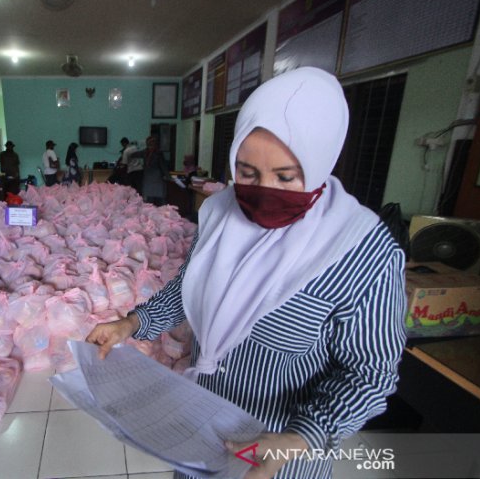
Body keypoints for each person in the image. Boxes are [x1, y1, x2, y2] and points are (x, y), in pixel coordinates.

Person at [86, 67, 406, 479]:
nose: (263, 189)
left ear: (321, 162)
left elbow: (370, 374)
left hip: (279, 456)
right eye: (248, 173)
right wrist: (132, 323)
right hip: (202, 430)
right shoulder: (221, 214)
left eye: (286, 177)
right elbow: (190, 285)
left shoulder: (361, 252)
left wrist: (300, 437)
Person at [141, 135, 167, 205]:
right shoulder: (148, 153)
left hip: (154, 181)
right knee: (152, 203)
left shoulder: (153, 153)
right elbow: (163, 167)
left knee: (152, 203)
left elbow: (163, 167)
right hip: (153, 181)